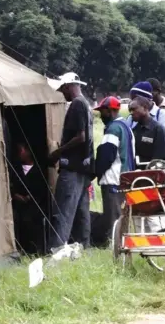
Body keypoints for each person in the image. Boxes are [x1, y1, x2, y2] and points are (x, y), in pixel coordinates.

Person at [48, 72, 94, 250]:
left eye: (62, 90)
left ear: (68, 87)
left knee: (63, 211)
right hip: (84, 168)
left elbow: (81, 137)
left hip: (72, 167)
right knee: (82, 211)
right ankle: (84, 246)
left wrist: (57, 153)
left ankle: (57, 249)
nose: (62, 94)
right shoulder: (86, 104)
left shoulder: (76, 104)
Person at [94, 97, 135, 246]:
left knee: (113, 217)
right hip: (126, 178)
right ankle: (123, 244)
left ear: (110, 111)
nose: (100, 115)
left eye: (102, 111)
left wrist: (96, 172)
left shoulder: (113, 129)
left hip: (113, 179)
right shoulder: (126, 126)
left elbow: (107, 155)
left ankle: (115, 247)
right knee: (123, 215)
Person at [11, 142, 47, 254]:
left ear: (28, 151)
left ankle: (34, 250)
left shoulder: (39, 170)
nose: (20, 153)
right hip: (18, 204)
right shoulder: (16, 169)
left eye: (22, 150)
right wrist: (15, 195)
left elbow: (42, 188)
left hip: (34, 204)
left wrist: (30, 197)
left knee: (32, 221)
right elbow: (11, 185)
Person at [128, 96, 165, 163]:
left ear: (145, 108)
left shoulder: (158, 130)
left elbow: (161, 158)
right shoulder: (134, 130)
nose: (131, 113)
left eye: (134, 109)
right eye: (130, 110)